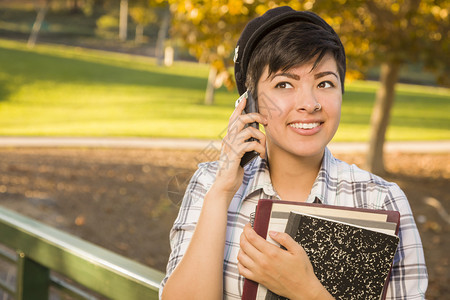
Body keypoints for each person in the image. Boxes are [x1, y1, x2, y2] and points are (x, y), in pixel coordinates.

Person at [159, 6, 428, 299]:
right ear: (250, 104)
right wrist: (221, 192)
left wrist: (306, 291)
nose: (309, 103)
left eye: (325, 83)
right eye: (284, 84)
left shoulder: (381, 200)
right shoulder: (210, 184)